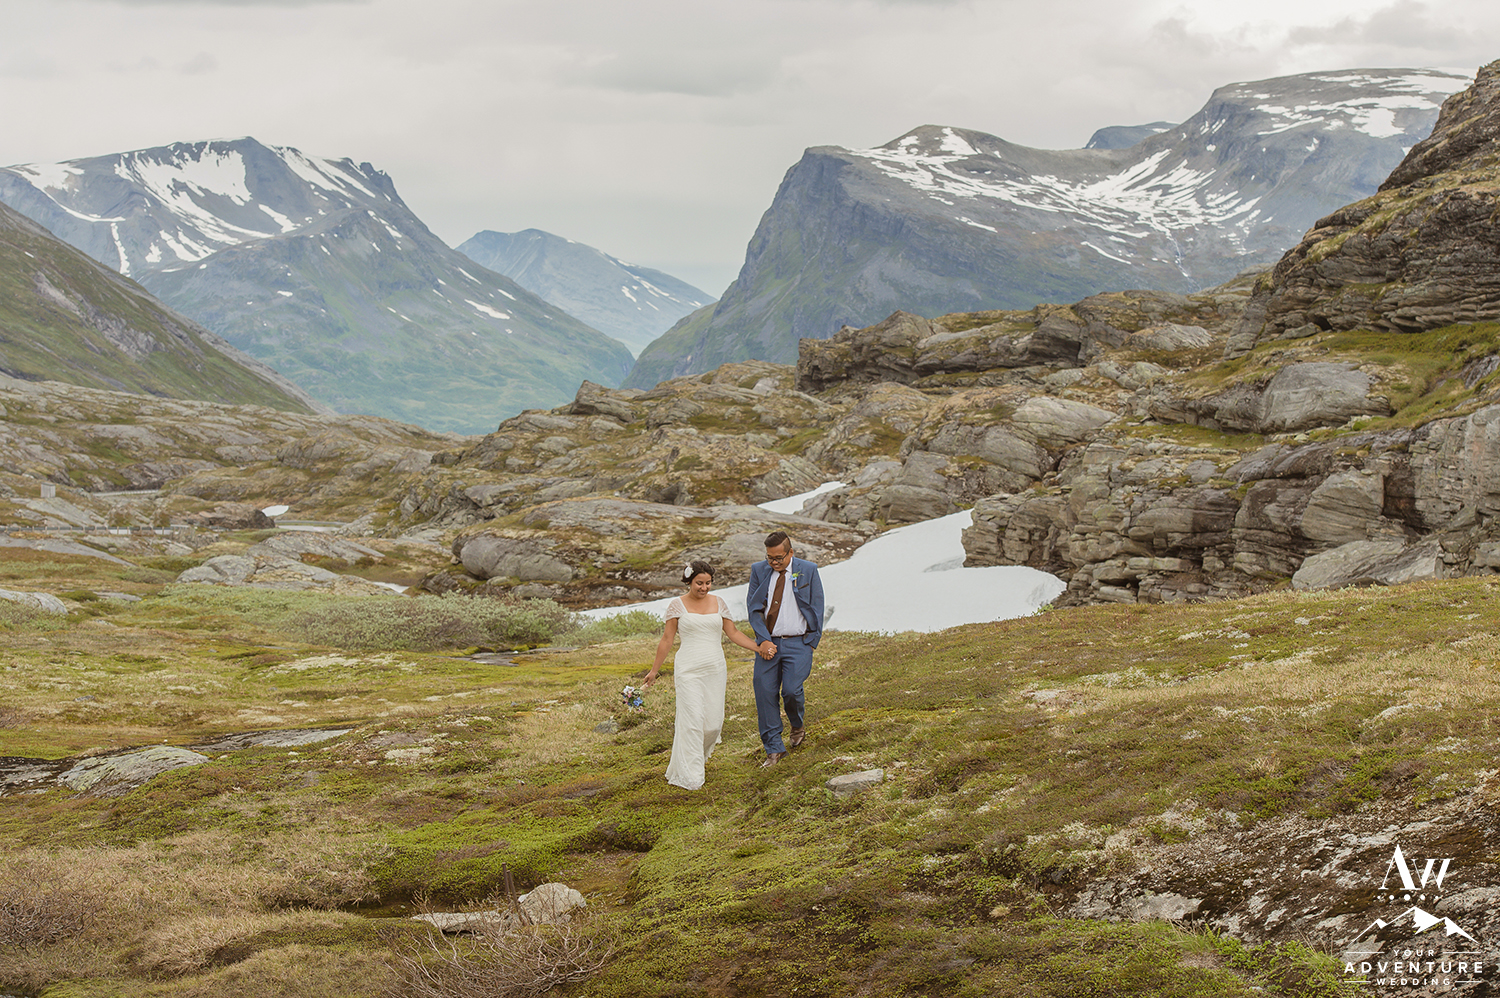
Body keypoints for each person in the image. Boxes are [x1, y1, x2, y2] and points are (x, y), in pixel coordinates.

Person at [643, 560, 763, 790]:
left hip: (715, 668)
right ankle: (691, 775)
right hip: (688, 669)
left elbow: (733, 632)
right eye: (699, 583)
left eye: (708, 583)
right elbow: (667, 639)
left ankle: (693, 759)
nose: (704, 587)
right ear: (689, 581)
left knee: (713, 724)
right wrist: (654, 671)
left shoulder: (719, 603)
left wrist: (757, 648)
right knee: (692, 721)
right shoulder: (676, 606)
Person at [746, 531, 825, 768]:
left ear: (791, 552)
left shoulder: (808, 570)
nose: (774, 562)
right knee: (764, 693)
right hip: (768, 643)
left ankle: (797, 724)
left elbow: (817, 604)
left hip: (799, 642)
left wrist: (812, 640)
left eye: (779, 557)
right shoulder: (759, 570)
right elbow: (754, 610)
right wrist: (763, 639)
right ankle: (774, 749)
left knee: (791, 690)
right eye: (770, 558)